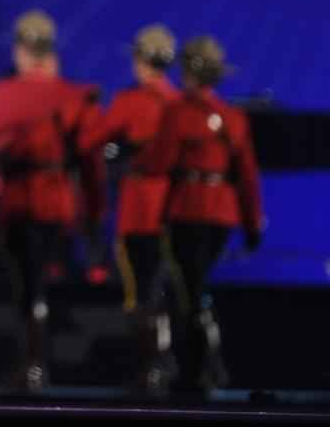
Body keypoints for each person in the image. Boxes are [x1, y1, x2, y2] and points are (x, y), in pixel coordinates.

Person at [140, 36, 264, 393]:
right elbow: (247, 174)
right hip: (222, 213)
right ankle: (205, 366)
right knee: (197, 287)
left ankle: (202, 368)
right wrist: (252, 222)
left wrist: (136, 162)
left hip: (187, 210)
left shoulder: (178, 112)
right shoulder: (233, 117)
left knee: (188, 291)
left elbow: (160, 160)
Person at [0, 10, 104, 391]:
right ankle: (36, 363)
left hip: (22, 198)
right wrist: (93, 208)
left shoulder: (8, 94)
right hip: (56, 199)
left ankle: (34, 365)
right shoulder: (71, 97)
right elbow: (88, 153)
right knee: (38, 279)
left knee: (26, 281)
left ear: (23, 50)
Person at [78, 24, 180, 393]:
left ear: (139, 60)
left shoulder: (130, 101)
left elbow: (90, 139)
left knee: (140, 291)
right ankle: (167, 365)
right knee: (167, 289)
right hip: (176, 208)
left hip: (140, 209)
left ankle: (150, 368)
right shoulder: (179, 103)